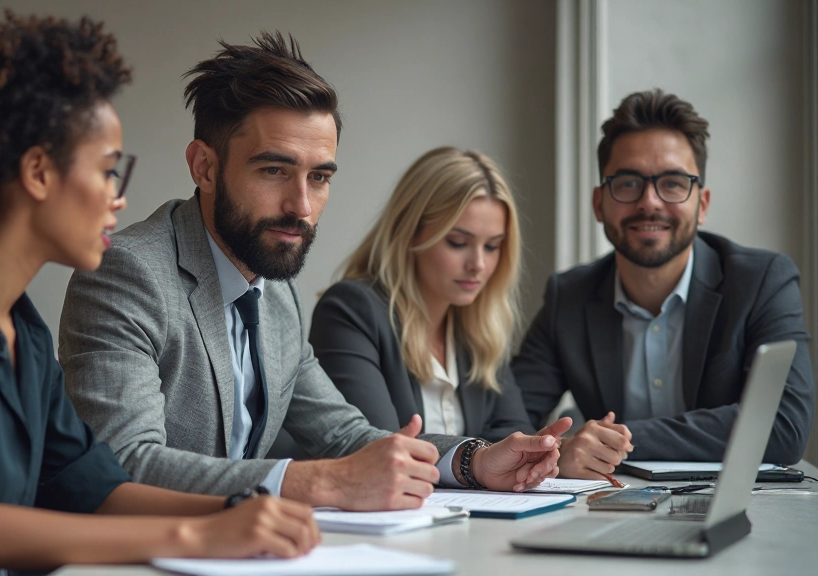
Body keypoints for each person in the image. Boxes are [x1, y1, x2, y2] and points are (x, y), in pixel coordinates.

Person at [0, 14, 320, 576]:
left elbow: (98, 490)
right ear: (39, 172)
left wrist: (245, 513)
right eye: (107, 170)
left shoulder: (22, 329)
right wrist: (199, 533)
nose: (118, 200)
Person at [60, 32, 571, 511]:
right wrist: (314, 482)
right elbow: (122, 463)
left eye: (320, 177)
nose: (301, 205)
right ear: (204, 167)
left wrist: (475, 460)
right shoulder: (128, 273)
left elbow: (346, 435)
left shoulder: (274, 294)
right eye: (274, 170)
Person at [511, 89, 815, 480]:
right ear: (599, 203)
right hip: (608, 504)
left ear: (701, 204)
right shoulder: (567, 297)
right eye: (628, 182)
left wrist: (611, 440)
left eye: (672, 183)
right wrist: (563, 448)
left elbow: (783, 426)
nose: (649, 202)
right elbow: (508, 422)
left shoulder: (762, 281)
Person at [308, 147, 536, 442]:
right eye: (457, 242)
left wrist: (555, 450)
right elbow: (379, 447)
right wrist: (476, 460)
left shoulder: (481, 328)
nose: (478, 264)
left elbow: (514, 435)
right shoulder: (350, 310)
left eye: (492, 246)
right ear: (410, 232)